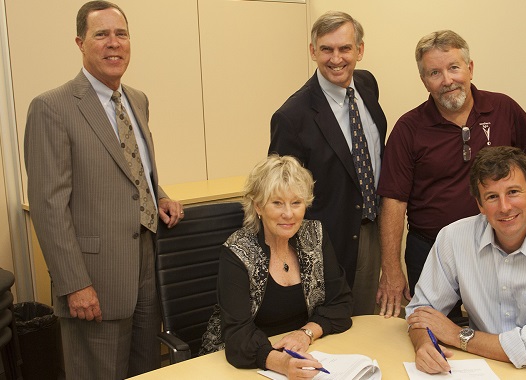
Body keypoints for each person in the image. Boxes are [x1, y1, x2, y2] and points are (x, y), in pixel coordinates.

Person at [23, 1, 184, 378]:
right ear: (80, 42)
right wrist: (74, 284)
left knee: (146, 370)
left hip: (146, 265)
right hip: (94, 276)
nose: (114, 43)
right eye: (101, 34)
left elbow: (132, 168)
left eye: (121, 34)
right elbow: (49, 207)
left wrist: (158, 195)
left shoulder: (138, 100)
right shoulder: (52, 108)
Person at [377, 30, 526, 318]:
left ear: (470, 68)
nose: (447, 80)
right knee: (429, 328)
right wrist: (392, 271)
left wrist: (520, 195)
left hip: (498, 249)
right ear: (424, 81)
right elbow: (393, 202)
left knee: (497, 328)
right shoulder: (409, 128)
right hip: (432, 251)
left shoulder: (503, 108)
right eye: (435, 72)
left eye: (454, 68)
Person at [406, 146, 526, 374]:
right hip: (481, 363)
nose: (505, 207)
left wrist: (458, 335)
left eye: (513, 192)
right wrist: (424, 344)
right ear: (480, 205)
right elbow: (421, 312)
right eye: (492, 197)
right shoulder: (454, 237)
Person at [269, 11, 386, 316]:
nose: (336, 58)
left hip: (375, 229)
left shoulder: (367, 84)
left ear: (359, 50)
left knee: (375, 321)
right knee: (339, 330)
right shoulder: (292, 117)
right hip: (328, 245)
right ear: (313, 51)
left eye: (345, 48)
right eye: (326, 49)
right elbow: (281, 198)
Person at [199, 155, 352, 379]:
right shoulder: (237, 252)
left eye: (296, 203)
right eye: (277, 203)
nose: (288, 214)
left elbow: (341, 304)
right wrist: (280, 363)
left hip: (303, 353)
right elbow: (237, 334)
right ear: (258, 206)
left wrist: (305, 333)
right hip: (244, 362)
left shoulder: (315, 236)